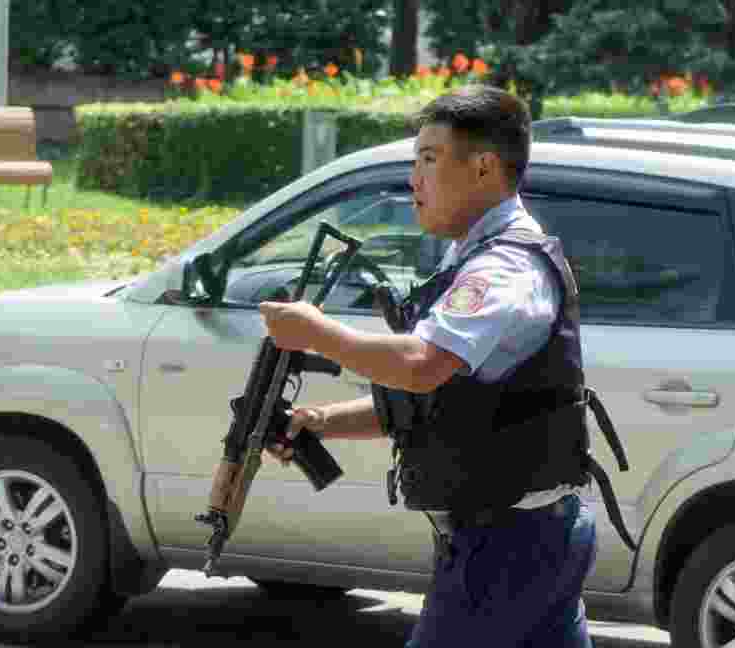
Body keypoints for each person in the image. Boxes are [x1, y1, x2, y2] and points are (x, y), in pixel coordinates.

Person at [259, 85, 624, 647]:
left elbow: (422, 366)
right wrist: (322, 421)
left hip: (506, 547)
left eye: (428, 160)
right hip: (527, 537)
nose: (414, 180)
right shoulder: (473, 255)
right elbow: (448, 403)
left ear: (483, 168)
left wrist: (315, 332)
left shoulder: (502, 270)